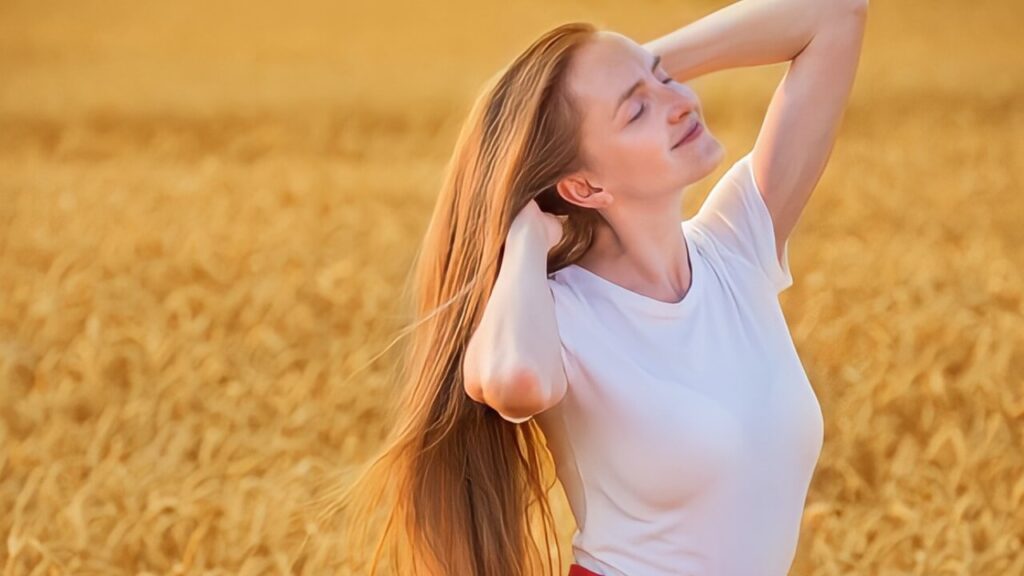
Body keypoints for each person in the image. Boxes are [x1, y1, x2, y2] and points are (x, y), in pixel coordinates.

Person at [335, 0, 867, 574]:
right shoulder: (555, 310)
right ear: (584, 186)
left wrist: (635, 67)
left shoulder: (736, 250)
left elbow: (836, 14)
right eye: (637, 110)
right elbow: (514, 381)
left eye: (666, 81)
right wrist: (524, 239)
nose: (680, 101)